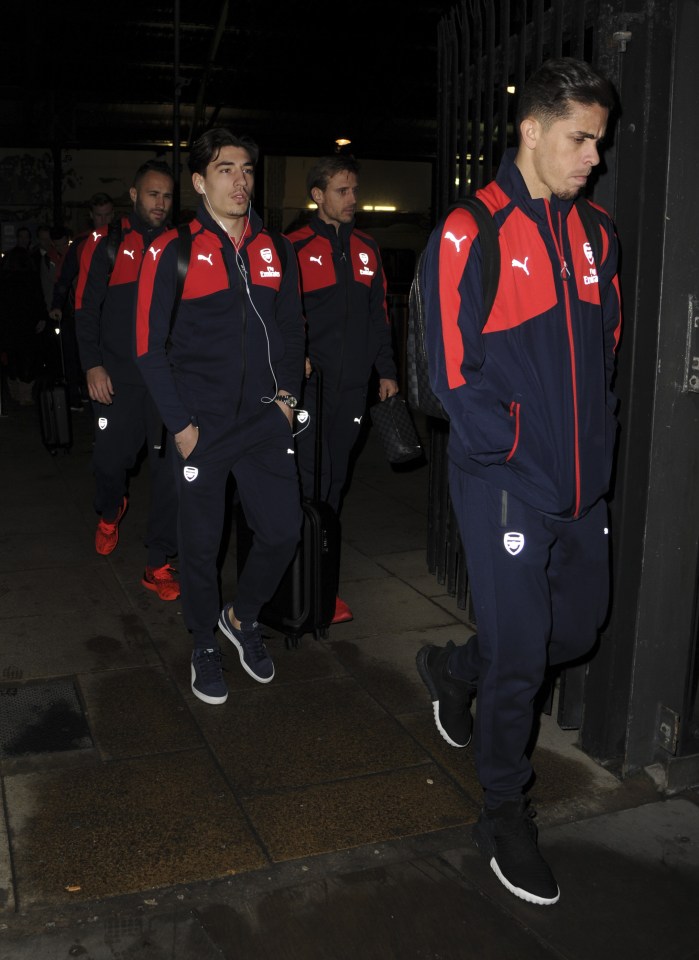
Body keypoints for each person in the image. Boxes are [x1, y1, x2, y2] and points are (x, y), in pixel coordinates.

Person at [415, 57, 621, 906]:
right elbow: (449, 371)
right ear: (531, 130)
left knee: (573, 631)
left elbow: (603, 348)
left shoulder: (597, 234)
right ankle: (503, 811)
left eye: (599, 143)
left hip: (582, 483)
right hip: (504, 478)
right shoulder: (472, 231)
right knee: (518, 660)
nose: (592, 158)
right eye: (579, 139)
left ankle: (454, 670)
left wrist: (590, 445)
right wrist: (509, 445)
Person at [135, 127, 304, 705]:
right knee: (201, 547)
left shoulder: (276, 250)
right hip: (201, 427)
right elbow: (147, 348)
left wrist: (288, 401)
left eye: (247, 170)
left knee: (283, 530)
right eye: (226, 169)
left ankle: (243, 616)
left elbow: (292, 330)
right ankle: (204, 641)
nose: (240, 180)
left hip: (265, 422)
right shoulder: (172, 251)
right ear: (201, 180)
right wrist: (181, 427)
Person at [285, 156, 399, 624]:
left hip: (354, 387)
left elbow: (379, 317)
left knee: (335, 481)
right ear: (317, 195)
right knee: (312, 475)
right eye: (342, 191)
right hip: (311, 385)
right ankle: (292, 573)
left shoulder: (368, 249)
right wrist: (296, 361)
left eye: (354, 190)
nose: (353, 200)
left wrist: (387, 371)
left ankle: (318, 578)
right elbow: (279, 314)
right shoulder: (292, 247)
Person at [74, 161, 180, 601]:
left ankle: (159, 562)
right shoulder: (106, 244)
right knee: (109, 461)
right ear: (134, 195)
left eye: (167, 196)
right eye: (152, 194)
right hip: (116, 379)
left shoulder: (182, 245)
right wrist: (92, 365)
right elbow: (85, 309)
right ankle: (110, 507)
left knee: (172, 475)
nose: (160, 203)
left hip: (167, 382)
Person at [51, 193, 115, 409]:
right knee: (78, 355)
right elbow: (64, 276)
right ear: (91, 216)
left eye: (107, 215)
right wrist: (57, 305)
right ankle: (78, 394)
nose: (103, 220)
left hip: (114, 313)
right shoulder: (81, 243)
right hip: (85, 310)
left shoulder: (123, 239)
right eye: (99, 216)